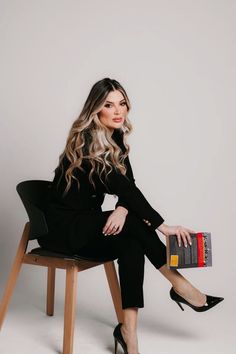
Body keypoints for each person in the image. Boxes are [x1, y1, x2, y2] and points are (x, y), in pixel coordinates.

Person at [37, 78, 224, 354]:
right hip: (63, 230)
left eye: (122, 103)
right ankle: (180, 286)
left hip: (88, 224)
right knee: (136, 226)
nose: (118, 111)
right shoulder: (88, 141)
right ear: (95, 110)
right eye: (108, 105)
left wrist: (123, 209)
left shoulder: (115, 140)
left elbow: (128, 186)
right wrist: (163, 226)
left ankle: (129, 335)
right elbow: (123, 186)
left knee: (132, 239)